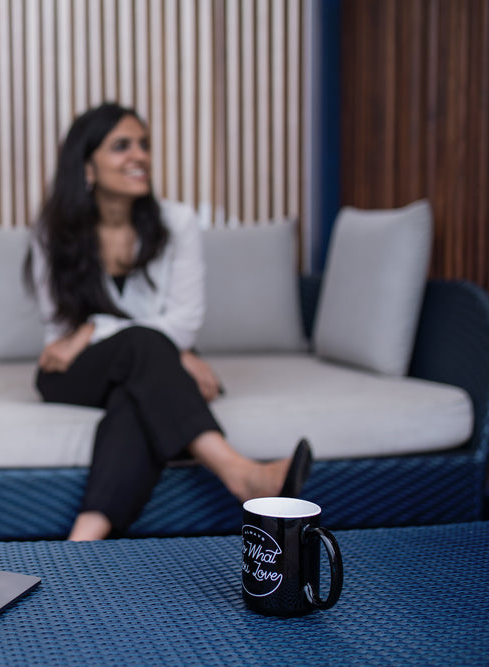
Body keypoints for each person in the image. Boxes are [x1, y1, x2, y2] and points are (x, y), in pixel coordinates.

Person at [27, 102, 311, 541]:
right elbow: (58, 335)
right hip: (72, 373)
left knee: (135, 398)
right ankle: (237, 472)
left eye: (144, 144)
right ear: (86, 167)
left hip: (147, 364)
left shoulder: (177, 224)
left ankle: (83, 540)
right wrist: (169, 355)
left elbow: (184, 324)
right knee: (145, 350)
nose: (139, 155)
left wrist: (92, 329)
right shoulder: (53, 233)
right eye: (122, 146)